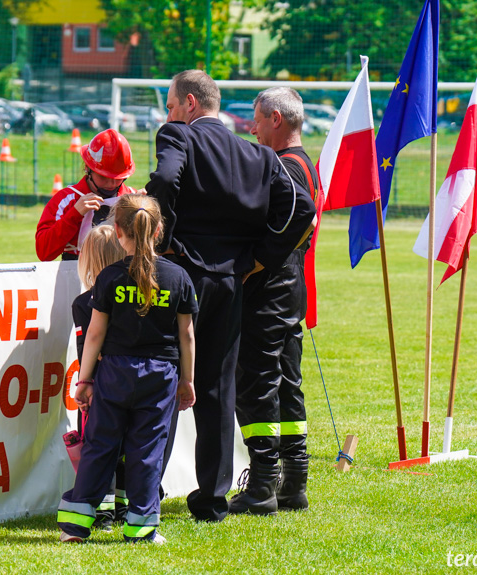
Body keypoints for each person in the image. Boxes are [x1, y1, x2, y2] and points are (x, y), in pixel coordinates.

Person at [145, 69, 314, 522]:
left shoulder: (178, 136)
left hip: (183, 273)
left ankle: (148, 491)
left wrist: (163, 243)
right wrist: (257, 257)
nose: (169, 113)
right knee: (218, 387)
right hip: (231, 282)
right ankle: (213, 499)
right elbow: (301, 207)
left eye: (171, 104)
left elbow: (163, 181)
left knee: (165, 378)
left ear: (190, 106)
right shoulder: (256, 155)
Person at [57, 194, 197, 544]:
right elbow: (187, 336)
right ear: (159, 230)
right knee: (147, 450)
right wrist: (188, 380)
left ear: (118, 232)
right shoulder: (179, 278)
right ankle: (141, 528)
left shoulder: (109, 278)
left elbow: (94, 335)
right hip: (160, 375)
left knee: (99, 447)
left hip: (114, 373)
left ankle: (75, 528)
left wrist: (85, 379)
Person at [230, 87, 318, 515]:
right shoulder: (305, 163)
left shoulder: (285, 166)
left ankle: (263, 484)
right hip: (290, 287)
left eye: (258, 119)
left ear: (277, 119)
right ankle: (294, 482)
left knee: (257, 381)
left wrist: (257, 262)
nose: (253, 127)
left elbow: (305, 215)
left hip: (270, 289)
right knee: (286, 380)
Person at [72, 223, 128, 530]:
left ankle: (102, 511)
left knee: (98, 447)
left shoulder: (83, 304)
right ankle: (124, 505)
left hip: (100, 385)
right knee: (128, 448)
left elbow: (86, 348)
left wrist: (85, 382)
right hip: (131, 381)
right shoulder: (132, 295)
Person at [36, 129, 137, 262]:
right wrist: (74, 215)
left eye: (119, 178)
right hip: (77, 278)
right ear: (87, 168)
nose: (111, 183)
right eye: (103, 177)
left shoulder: (133, 198)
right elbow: (43, 252)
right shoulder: (67, 199)